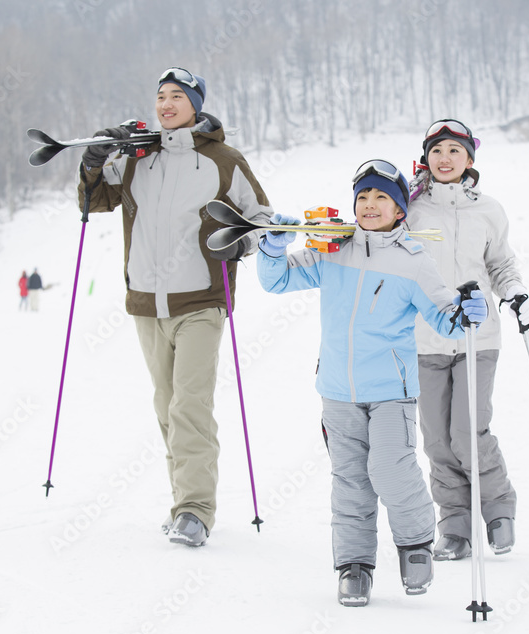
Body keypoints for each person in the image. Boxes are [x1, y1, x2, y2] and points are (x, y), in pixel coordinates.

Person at [256, 159, 488, 606]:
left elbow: (446, 319)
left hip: (391, 392)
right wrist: (272, 249)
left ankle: (416, 544)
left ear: (401, 209)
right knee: (349, 480)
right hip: (337, 391)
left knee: (390, 469)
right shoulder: (332, 250)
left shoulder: (415, 262)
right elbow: (279, 280)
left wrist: (465, 313)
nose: (370, 204)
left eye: (382, 197)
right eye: (363, 196)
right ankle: (354, 565)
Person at [76, 66, 272, 548]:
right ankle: (181, 502)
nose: (166, 104)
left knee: (189, 405)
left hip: (201, 300)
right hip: (146, 301)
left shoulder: (224, 160)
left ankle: (196, 511)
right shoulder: (138, 156)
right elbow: (94, 200)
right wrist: (94, 161)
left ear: (195, 104)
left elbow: (261, 217)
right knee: (167, 407)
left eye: (176, 96)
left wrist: (239, 246)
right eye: (160, 96)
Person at [404, 119, 529, 561]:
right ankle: (454, 526)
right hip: (424, 339)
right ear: (426, 158)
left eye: (454, 151)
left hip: (477, 337)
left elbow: (500, 263)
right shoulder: (410, 209)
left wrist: (515, 293)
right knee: (437, 440)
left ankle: (498, 510)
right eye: (437, 150)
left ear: (469, 160)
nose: (445, 158)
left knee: (467, 431)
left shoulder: (488, 210)